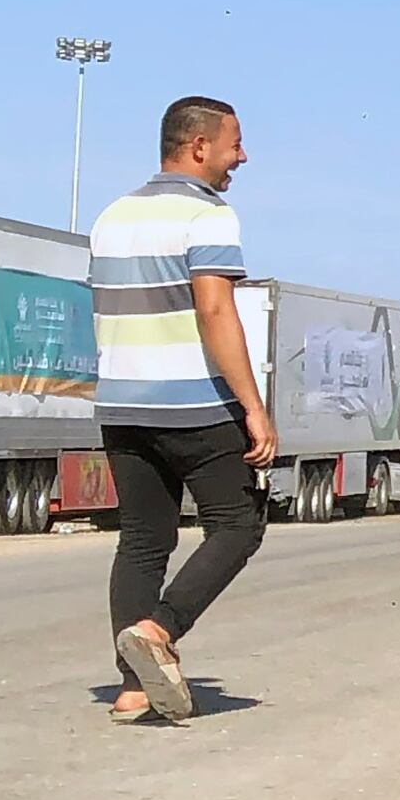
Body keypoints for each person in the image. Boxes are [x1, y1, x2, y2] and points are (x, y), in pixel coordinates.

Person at [92, 97, 272, 726]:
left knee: (144, 539)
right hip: (194, 403)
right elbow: (216, 312)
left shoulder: (112, 216)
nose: (241, 156)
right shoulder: (210, 215)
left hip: (121, 404)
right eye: (235, 143)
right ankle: (160, 630)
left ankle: (133, 688)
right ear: (199, 146)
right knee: (239, 524)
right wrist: (254, 406)